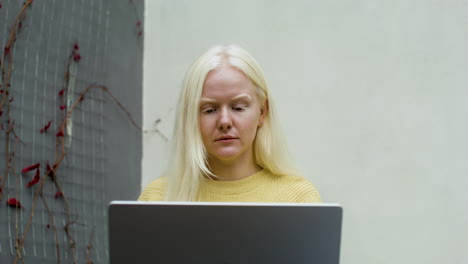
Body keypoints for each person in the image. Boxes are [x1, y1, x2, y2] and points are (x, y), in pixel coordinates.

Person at [139, 45, 321, 203]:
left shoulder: (299, 199)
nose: (224, 121)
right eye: (210, 109)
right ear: (190, 117)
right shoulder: (158, 198)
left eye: (239, 107)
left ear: (262, 112)